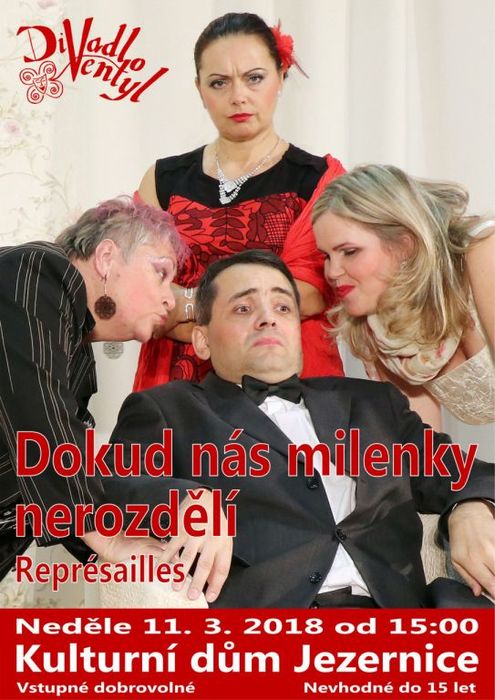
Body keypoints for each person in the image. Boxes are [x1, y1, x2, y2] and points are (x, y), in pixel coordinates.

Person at [109, 250, 495, 608]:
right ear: (202, 340)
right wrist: (186, 499)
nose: (268, 318)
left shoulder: (374, 404)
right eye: (243, 308)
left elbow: (468, 474)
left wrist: (470, 508)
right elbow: (107, 486)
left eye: (282, 307)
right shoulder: (169, 410)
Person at [133, 11, 345, 391]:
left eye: (254, 78)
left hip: (287, 378)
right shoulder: (163, 180)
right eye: (219, 83)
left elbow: (309, 293)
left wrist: (189, 305)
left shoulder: (317, 179)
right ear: (199, 89)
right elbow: (143, 294)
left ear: (280, 76)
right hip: (178, 383)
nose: (238, 97)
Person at [0, 196, 189, 580]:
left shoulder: (76, 358)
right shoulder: (34, 272)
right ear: (106, 258)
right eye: (161, 273)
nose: (170, 299)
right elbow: (38, 416)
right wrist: (107, 539)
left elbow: (57, 466)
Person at [311, 164, 495, 429]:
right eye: (326, 256)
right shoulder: (373, 323)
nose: (332, 271)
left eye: (349, 252)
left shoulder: (485, 253)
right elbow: (421, 439)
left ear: (405, 245)